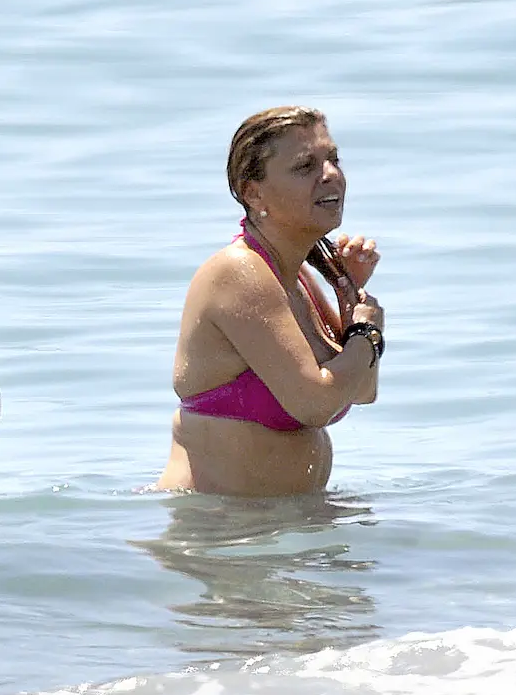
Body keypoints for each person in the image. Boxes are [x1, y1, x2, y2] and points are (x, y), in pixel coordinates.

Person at [157, 106, 385, 497]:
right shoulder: (238, 273)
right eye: (305, 166)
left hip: (278, 532)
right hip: (216, 535)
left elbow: (361, 390)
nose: (330, 174)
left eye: (332, 159)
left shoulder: (298, 279)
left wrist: (351, 304)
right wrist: (367, 332)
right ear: (253, 192)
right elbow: (315, 403)